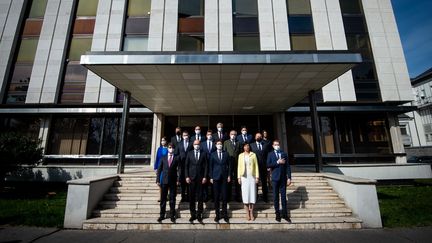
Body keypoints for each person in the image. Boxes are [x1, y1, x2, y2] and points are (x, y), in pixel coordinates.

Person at [267, 140, 292, 222]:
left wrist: (289, 178)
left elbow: (288, 166)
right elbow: (268, 165)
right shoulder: (270, 154)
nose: (277, 146)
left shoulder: (284, 154)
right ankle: (277, 214)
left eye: (278, 144)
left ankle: (285, 214)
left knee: (284, 196)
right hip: (275, 178)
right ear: (273, 146)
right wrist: (277, 162)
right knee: (275, 197)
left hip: (283, 179)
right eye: (275, 145)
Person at [156, 143, 180, 223]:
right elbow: (159, 169)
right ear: (168, 148)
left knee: (172, 199)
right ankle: (162, 215)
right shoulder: (163, 158)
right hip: (164, 181)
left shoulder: (177, 157)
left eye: (173, 147)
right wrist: (158, 180)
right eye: (170, 147)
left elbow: (179, 170)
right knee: (163, 199)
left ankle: (172, 215)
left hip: (173, 181)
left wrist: (178, 179)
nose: (171, 149)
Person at [185, 140, 208, 223]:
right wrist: (187, 176)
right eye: (195, 144)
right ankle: (193, 215)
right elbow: (186, 166)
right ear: (193, 145)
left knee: (200, 197)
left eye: (198, 144)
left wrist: (205, 177)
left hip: (201, 179)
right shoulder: (189, 153)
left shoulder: (203, 153)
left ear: (200, 145)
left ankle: (199, 215)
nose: (196, 145)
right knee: (191, 197)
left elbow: (206, 166)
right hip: (191, 179)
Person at [209, 140, 231, 223]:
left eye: (220, 144)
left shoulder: (226, 153)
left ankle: (225, 214)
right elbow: (210, 166)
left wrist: (229, 175)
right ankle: (217, 215)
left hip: (224, 177)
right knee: (216, 197)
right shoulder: (212, 154)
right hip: (215, 177)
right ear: (215, 145)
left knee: (225, 197)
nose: (219, 145)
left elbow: (229, 165)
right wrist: (211, 177)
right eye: (218, 144)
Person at [237, 143, 259, 221]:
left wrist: (257, 176)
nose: (247, 147)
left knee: (252, 195)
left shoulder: (253, 155)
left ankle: (252, 212)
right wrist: (238, 177)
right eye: (245, 146)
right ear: (243, 147)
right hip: (244, 177)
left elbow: (256, 166)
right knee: (245, 195)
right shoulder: (240, 155)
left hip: (252, 176)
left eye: (248, 146)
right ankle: (247, 213)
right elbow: (239, 167)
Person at [250, 133, 269, 202]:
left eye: (260, 136)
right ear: (255, 137)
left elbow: (268, 156)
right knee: (255, 183)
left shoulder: (265, 145)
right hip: (255, 167)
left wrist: (268, 165)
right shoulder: (251, 145)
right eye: (257, 136)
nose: (259, 137)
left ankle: (265, 197)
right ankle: (255, 196)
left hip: (264, 167)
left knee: (264, 182)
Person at [224, 130, 241, 202]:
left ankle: (238, 197)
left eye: (234, 134)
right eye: (232, 134)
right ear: (229, 135)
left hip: (237, 164)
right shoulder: (226, 142)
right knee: (229, 180)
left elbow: (240, 153)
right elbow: (224, 152)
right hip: (229, 164)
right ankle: (228, 197)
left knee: (237, 181)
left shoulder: (238, 143)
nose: (233, 135)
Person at [175, 131, 192, 202]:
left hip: (189, 166)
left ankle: (188, 196)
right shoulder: (179, 144)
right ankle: (183, 196)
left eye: (186, 135)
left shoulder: (191, 143)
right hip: (181, 166)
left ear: (188, 135)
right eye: (184, 135)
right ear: (182, 136)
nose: (185, 136)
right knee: (182, 182)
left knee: (188, 182)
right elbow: (176, 153)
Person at [201, 130, 216, 201]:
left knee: (213, 181)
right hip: (204, 165)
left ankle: (213, 196)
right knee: (205, 181)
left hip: (213, 165)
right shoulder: (202, 144)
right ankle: (205, 196)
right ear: (206, 136)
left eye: (210, 134)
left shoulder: (215, 143)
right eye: (208, 134)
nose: (209, 135)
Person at [154, 137, 168, 202]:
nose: (162, 142)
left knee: (166, 182)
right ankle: (161, 197)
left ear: (166, 141)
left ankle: (167, 195)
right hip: (160, 168)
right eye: (161, 140)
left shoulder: (168, 149)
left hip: (166, 168)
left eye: (163, 140)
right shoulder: (159, 149)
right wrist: (155, 168)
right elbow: (157, 158)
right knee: (159, 182)